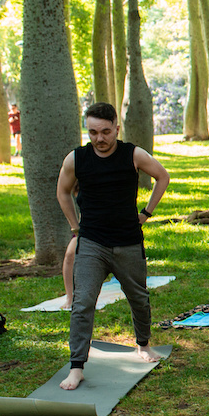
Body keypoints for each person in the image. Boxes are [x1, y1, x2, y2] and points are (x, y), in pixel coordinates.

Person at [55, 102, 170, 391]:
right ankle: (77, 367)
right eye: (93, 132)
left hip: (128, 241)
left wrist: (146, 213)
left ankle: (143, 345)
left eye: (106, 132)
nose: (99, 139)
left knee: (139, 298)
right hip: (92, 242)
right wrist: (75, 227)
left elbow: (162, 177)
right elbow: (63, 191)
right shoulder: (76, 159)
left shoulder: (133, 154)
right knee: (82, 304)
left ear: (116, 129)